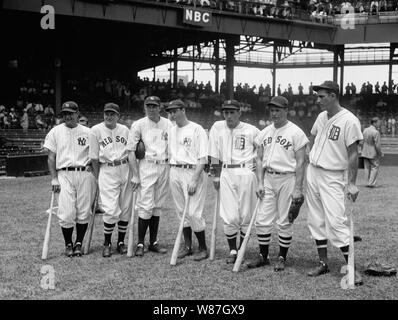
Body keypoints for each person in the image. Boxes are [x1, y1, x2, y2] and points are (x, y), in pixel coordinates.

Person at [306, 81, 363, 285]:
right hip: (314, 171)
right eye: (318, 96)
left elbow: (353, 153)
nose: (318, 100)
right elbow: (312, 137)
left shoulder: (350, 120)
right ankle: (323, 263)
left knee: (336, 221)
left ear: (333, 96)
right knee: (316, 219)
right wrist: (309, 156)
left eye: (321, 96)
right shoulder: (322, 116)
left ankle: (351, 268)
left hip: (333, 175)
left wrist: (352, 183)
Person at [247, 96, 308, 271]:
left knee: (284, 220)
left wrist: (298, 188)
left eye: (278, 110)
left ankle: (282, 257)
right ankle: (263, 256)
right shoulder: (264, 132)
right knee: (262, 219)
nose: (274, 113)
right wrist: (259, 182)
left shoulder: (296, 132)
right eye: (272, 110)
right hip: (268, 178)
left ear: (286, 110)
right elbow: (258, 159)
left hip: (287, 178)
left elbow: (301, 162)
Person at [208, 99, 260, 264]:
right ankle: (232, 250)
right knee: (229, 215)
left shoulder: (252, 130)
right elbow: (214, 154)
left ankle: (242, 249)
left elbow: (261, 153)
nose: (228, 116)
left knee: (246, 214)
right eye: (226, 112)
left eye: (232, 112)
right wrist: (216, 175)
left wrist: (259, 177)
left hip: (246, 172)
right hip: (226, 172)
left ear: (239, 113)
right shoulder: (217, 127)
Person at [43, 101, 96, 257]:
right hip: (64, 173)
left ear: (77, 114)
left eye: (70, 113)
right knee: (66, 212)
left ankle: (78, 243)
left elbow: (95, 154)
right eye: (65, 114)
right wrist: (54, 178)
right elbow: (51, 157)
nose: (68, 116)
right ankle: (68, 244)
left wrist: (93, 166)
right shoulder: (55, 131)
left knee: (84, 210)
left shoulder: (89, 132)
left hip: (85, 174)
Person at [127, 96, 172, 257]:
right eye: (148, 106)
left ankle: (153, 242)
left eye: (154, 106)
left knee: (157, 205)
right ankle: (140, 242)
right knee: (146, 205)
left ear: (159, 107)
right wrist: (135, 175)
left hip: (164, 165)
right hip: (147, 164)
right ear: (144, 107)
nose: (151, 108)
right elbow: (131, 151)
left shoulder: (168, 123)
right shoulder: (138, 124)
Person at [166, 99, 209, 261]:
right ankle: (188, 246)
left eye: (175, 111)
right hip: (175, 170)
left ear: (183, 110)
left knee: (193, 212)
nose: (172, 114)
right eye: (170, 111)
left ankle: (203, 247)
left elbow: (203, 158)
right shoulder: (171, 130)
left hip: (192, 171)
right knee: (181, 211)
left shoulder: (197, 129)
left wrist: (194, 179)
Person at [89, 103, 133, 257]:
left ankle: (121, 242)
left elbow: (131, 152)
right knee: (110, 208)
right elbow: (94, 157)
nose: (109, 116)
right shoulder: (95, 130)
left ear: (118, 116)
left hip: (125, 167)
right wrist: (97, 175)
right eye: (106, 113)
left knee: (125, 206)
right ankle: (107, 243)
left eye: (112, 114)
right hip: (107, 169)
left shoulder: (125, 130)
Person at [361, 117, 383, 188]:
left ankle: (367, 182)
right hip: (373, 153)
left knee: (367, 168)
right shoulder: (376, 132)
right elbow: (377, 145)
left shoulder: (365, 130)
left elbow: (362, 141)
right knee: (375, 167)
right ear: (374, 123)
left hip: (365, 151)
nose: (379, 124)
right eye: (378, 122)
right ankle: (372, 183)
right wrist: (380, 153)